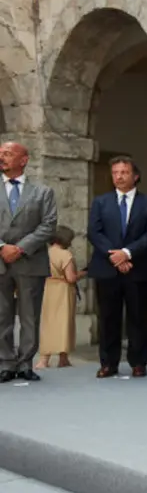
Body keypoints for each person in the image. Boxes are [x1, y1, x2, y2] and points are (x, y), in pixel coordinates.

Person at [87, 155, 147, 378]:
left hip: (138, 268)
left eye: (124, 172)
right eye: (115, 173)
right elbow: (94, 232)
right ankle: (108, 363)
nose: (119, 177)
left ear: (135, 176)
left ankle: (138, 362)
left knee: (138, 317)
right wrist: (115, 256)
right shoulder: (101, 202)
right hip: (107, 267)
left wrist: (127, 253)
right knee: (108, 318)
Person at [0, 141, 58, 383]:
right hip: (1, 260)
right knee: (2, 314)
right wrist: (2, 247)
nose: (2, 157)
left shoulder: (43, 192)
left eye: (8, 153)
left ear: (23, 160)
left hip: (30, 260)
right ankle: (5, 363)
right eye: (1, 153)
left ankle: (25, 363)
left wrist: (21, 248)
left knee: (29, 315)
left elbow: (48, 225)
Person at [36, 226, 83, 370]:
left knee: (47, 323)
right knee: (63, 323)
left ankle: (44, 359)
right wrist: (84, 273)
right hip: (62, 291)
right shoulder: (65, 255)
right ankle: (63, 358)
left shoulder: (45, 253)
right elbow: (71, 277)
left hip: (47, 288)